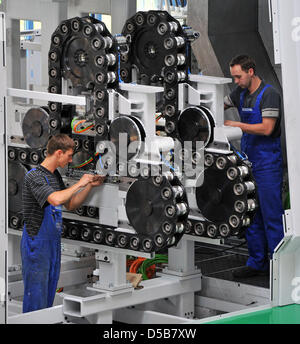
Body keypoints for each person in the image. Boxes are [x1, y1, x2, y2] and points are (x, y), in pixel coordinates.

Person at [21, 134, 104, 312]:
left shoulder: (54, 176)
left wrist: (89, 185)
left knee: (48, 294)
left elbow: (71, 204)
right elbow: (56, 200)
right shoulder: (34, 176)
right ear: (59, 153)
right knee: (36, 296)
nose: (71, 160)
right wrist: (80, 182)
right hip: (37, 245)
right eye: (69, 155)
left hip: (52, 244)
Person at [224, 54, 284, 278]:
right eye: (233, 77)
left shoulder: (269, 95)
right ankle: (257, 262)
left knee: (271, 215)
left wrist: (236, 124)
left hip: (267, 163)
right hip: (248, 161)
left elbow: (267, 128)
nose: (236, 81)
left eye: (238, 76)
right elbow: (219, 103)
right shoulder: (240, 93)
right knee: (250, 213)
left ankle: (278, 266)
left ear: (250, 72)